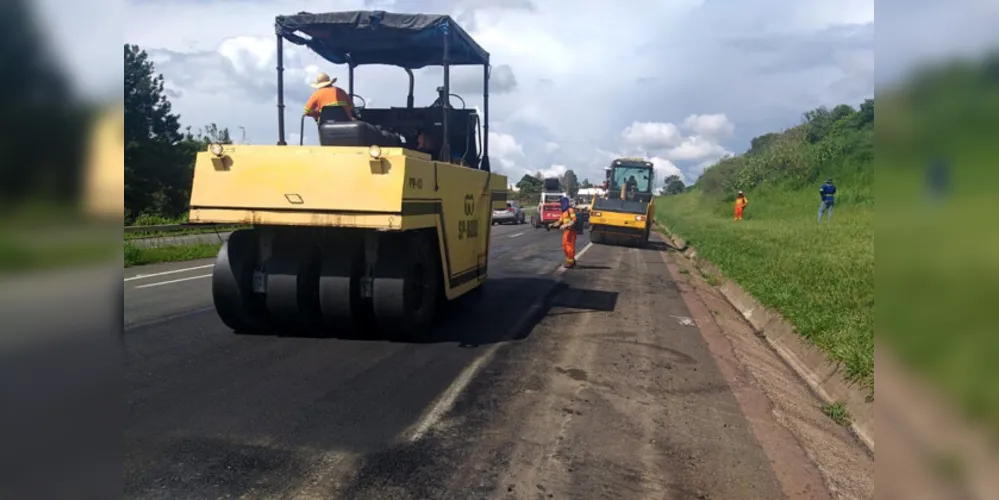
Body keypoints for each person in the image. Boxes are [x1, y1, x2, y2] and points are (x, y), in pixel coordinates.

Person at [556, 196, 578, 268]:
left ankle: (570, 262)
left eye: (561, 202)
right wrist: (552, 225)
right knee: (565, 246)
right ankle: (569, 260)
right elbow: (559, 222)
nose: (560, 204)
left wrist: (565, 225)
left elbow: (574, 220)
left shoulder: (570, 210)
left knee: (570, 246)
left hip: (571, 231)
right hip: (566, 232)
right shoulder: (563, 212)